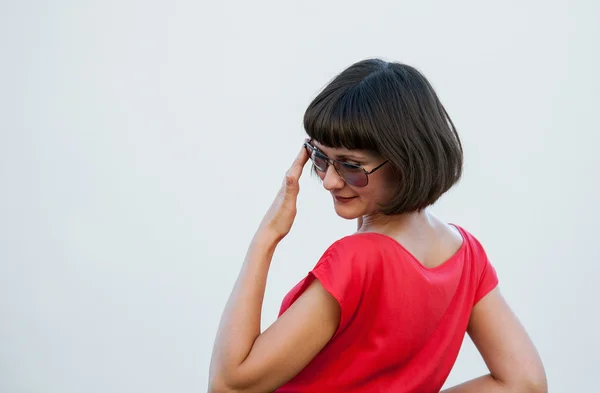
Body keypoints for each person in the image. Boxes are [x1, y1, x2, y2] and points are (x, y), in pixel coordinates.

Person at [208, 59, 547, 393]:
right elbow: (525, 382)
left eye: (351, 166)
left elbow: (230, 386)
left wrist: (266, 236)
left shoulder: (357, 261)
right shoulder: (468, 255)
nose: (328, 182)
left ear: (404, 161)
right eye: (320, 157)